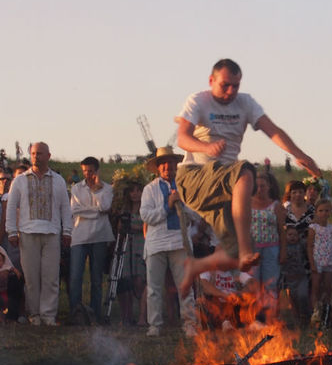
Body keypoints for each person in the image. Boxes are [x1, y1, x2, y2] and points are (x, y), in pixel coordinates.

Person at [174, 59, 321, 295]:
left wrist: (300, 155)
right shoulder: (198, 101)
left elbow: (272, 129)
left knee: (232, 251)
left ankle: (197, 266)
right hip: (194, 178)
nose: (231, 91)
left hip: (222, 189)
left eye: (236, 85)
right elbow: (182, 138)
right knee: (245, 172)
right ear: (211, 81)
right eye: (225, 85)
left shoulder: (245, 103)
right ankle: (243, 249)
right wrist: (204, 147)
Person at [5, 142, 72, 327]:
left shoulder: (58, 180)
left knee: (50, 277)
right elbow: (11, 206)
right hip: (27, 233)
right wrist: (11, 231)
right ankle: (34, 314)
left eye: (40, 153)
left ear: (48, 156)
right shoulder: (20, 180)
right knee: (32, 278)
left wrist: (67, 231)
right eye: (33, 153)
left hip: (51, 233)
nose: (36, 156)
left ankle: (48, 315)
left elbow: (65, 208)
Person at [140, 146, 197, 337]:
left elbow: (196, 214)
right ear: (158, 167)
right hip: (156, 243)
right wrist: (167, 205)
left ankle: (189, 323)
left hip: (180, 243)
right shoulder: (149, 189)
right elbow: (146, 216)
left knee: (185, 286)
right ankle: (154, 325)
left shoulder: (185, 186)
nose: (168, 167)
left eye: (171, 164)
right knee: (154, 288)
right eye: (164, 164)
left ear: (176, 165)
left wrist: (181, 203)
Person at [69, 156, 114, 325]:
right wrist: (96, 212)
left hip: (100, 236)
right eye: (85, 171)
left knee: (96, 279)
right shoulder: (76, 188)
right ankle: (76, 313)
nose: (87, 174)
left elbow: (104, 207)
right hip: (79, 236)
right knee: (75, 277)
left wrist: (96, 190)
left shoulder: (107, 189)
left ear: (97, 171)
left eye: (91, 171)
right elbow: (75, 210)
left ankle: (95, 314)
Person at [113, 180, 147, 327]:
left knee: (139, 281)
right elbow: (120, 228)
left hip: (140, 245)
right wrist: (122, 224)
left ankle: (142, 316)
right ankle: (126, 316)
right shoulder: (125, 210)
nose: (135, 194)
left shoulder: (146, 208)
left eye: (138, 190)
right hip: (126, 246)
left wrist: (134, 227)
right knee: (125, 280)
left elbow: (147, 227)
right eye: (132, 191)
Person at [249, 171, 285, 305]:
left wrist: (283, 251)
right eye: (257, 186)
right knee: (253, 282)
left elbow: (282, 230)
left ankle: (270, 314)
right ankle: (253, 315)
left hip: (272, 248)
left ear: (269, 186)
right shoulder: (247, 203)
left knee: (270, 282)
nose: (259, 189)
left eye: (262, 186)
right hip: (252, 249)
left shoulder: (276, 205)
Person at [307, 198, 332, 323]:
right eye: (321, 211)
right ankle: (315, 311)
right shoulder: (313, 227)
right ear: (316, 212)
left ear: (330, 212)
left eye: (327, 210)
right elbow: (309, 245)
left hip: (328, 260)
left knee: (328, 286)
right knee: (316, 286)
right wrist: (312, 263)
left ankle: (327, 308)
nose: (324, 213)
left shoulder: (331, 228)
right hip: (317, 261)